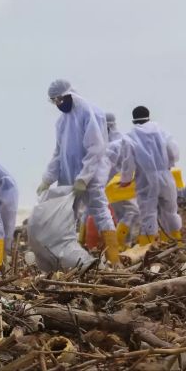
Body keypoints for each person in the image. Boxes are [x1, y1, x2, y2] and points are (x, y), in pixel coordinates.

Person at [37, 79, 119, 265]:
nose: (57, 104)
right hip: (68, 175)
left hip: (92, 173)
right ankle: (71, 260)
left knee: (99, 210)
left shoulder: (89, 112)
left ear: (68, 95)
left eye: (59, 99)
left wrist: (84, 178)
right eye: (53, 101)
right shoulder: (61, 122)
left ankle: (114, 260)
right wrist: (47, 179)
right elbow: (58, 153)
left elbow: (96, 147)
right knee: (67, 216)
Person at [120, 106, 182, 245]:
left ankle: (148, 246)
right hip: (165, 176)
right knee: (170, 211)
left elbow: (128, 162)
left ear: (133, 119)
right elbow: (173, 151)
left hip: (145, 180)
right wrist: (169, 164)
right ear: (148, 116)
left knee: (148, 214)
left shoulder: (129, 137)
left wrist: (126, 179)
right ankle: (176, 243)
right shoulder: (162, 131)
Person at [105, 112, 140, 248]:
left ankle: (125, 244)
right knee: (132, 212)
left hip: (111, 187)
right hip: (120, 185)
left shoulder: (105, 144)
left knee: (121, 215)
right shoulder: (119, 142)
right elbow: (129, 163)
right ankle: (121, 243)